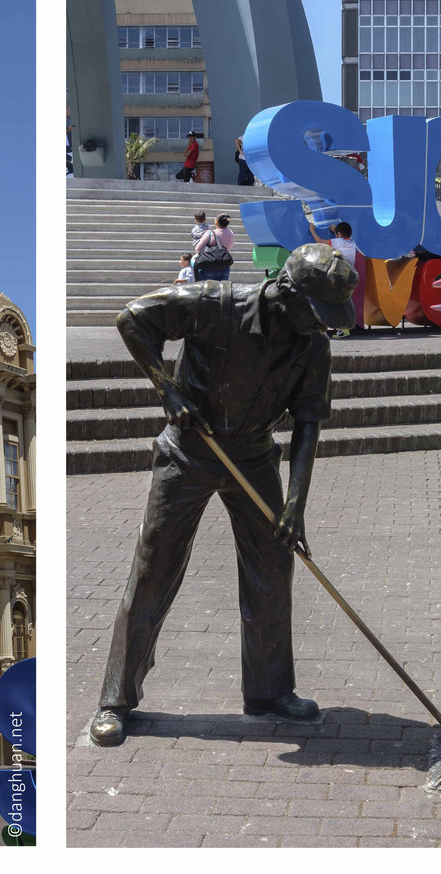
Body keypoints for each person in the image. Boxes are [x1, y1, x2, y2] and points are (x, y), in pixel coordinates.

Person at [89, 245, 358, 752]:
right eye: (316, 314)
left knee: (274, 570)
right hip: (189, 452)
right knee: (153, 568)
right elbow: (132, 320)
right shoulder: (214, 303)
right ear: (285, 294)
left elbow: (307, 425)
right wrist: (166, 387)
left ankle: (269, 692)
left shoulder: (313, 347)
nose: (321, 326)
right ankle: (115, 699)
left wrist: (295, 503)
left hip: (254, 459)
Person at [306, 217, 363, 337]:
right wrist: (335, 232)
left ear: (339, 234)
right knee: (342, 302)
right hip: (349, 276)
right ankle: (343, 327)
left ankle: (342, 329)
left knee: (335, 302)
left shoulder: (337, 242)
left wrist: (312, 230)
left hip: (339, 277)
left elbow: (319, 240)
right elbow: (342, 242)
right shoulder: (352, 242)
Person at [193, 214, 236, 282]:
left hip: (209, 265)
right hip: (224, 265)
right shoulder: (231, 233)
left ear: (216, 222)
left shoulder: (210, 233)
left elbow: (198, 249)